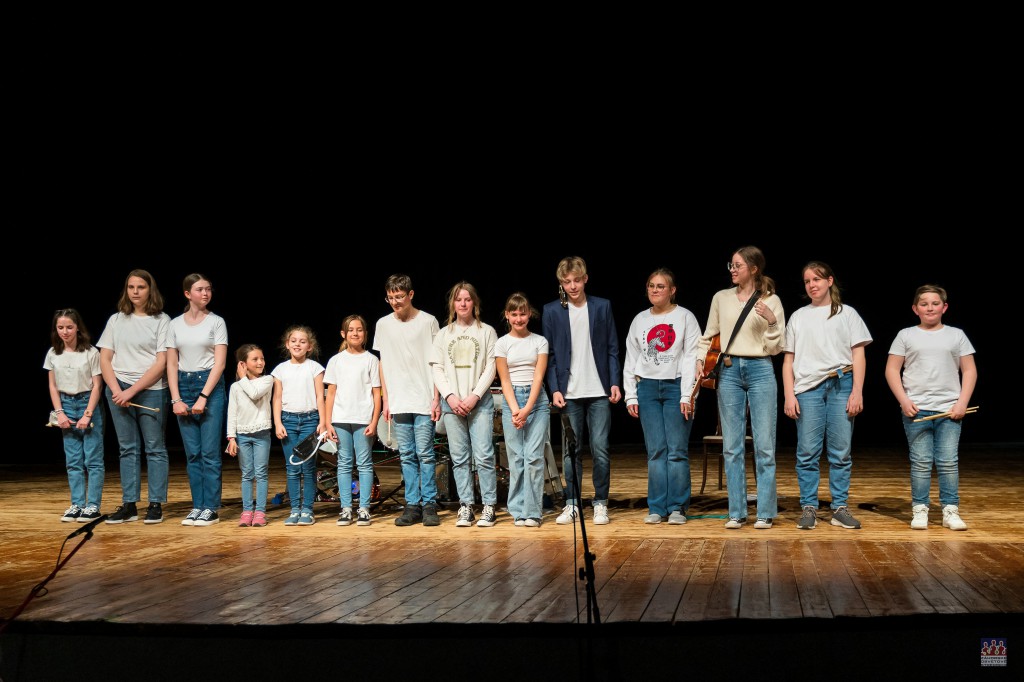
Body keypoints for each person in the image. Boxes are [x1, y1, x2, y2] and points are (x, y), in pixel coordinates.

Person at [696, 246, 785, 530]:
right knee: (732, 446)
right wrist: (700, 360)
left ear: (754, 269)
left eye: (738, 266)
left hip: (761, 369)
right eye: (731, 265)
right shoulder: (721, 298)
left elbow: (776, 347)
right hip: (730, 369)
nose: (732, 270)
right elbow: (708, 336)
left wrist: (771, 321)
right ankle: (736, 511)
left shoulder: (771, 300)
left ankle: (765, 512)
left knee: (764, 445)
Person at [782, 262, 872, 530]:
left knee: (841, 451)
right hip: (808, 388)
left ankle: (839, 507)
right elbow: (788, 360)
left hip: (841, 384)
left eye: (817, 279)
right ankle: (809, 507)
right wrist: (789, 394)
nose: (812, 285)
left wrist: (857, 391)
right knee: (807, 451)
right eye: (807, 281)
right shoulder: (798, 316)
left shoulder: (847, 314)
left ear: (829, 281)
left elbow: (858, 355)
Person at [884, 284, 977, 531]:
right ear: (915, 309)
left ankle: (950, 510)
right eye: (924, 304)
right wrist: (904, 400)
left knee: (948, 461)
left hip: (949, 409)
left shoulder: (956, 335)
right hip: (917, 409)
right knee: (921, 462)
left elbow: (969, 370)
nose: (930, 308)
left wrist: (962, 402)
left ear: (944, 307)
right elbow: (892, 369)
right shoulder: (905, 335)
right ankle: (920, 508)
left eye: (935, 303)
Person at [542, 256, 622, 526]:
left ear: (585, 279)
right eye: (567, 282)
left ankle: (600, 503)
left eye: (577, 280)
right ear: (561, 283)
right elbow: (551, 355)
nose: (573, 286)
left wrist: (614, 382)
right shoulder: (552, 311)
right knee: (570, 451)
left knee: (600, 449)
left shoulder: (602, 306)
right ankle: (572, 502)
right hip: (569, 392)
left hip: (599, 390)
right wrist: (554, 389)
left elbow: (612, 347)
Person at [623, 268, 701, 525]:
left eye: (660, 286)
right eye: (651, 286)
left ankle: (677, 507)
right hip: (647, 388)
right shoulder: (640, 320)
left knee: (676, 451)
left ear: (672, 290)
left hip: (675, 386)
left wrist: (687, 394)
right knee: (656, 451)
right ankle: (657, 507)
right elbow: (631, 358)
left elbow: (691, 358)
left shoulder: (685, 317)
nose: (655, 290)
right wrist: (630, 396)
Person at [97, 269, 171, 524]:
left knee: (155, 448)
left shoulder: (162, 320)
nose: (135, 292)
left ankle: (155, 503)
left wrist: (131, 390)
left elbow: (161, 362)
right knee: (127, 448)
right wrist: (116, 389)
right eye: (131, 287)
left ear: (150, 290)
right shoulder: (116, 319)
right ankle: (129, 504)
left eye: (141, 287)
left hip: (151, 390)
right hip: (118, 388)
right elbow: (105, 358)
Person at [373, 274, 442, 527]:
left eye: (399, 296)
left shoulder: (428, 322)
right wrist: (386, 399)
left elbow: (436, 362)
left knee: (425, 454)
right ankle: (412, 505)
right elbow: (383, 363)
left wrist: (436, 398)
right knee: (407, 455)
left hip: (423, 398)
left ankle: (429, 505)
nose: (395, 302)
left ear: (410, 295)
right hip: (399, 400)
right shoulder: (383, 324)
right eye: (390, 298)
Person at [431, 282, 499, 527]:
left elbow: (491, 367)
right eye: (458, 299)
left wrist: (474, 396)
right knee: (459, 457)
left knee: (483, 456)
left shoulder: (487, 331)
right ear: (453, 304)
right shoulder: (443, 334)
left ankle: (489, 505)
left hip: (478, 403)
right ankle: (466, 505)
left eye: (467, 299)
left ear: (474, 303)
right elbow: (437, 368)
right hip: (452, 403)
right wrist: (450, 396)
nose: (463, 303)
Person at [167, 273, 228, 527]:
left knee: (209, 452)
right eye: (200, 289)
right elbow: (171, 363)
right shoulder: (174, 324)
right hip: (184, 384)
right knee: (193, 453)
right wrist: (176, 399)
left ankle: (210, 507)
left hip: (209, 385)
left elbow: (220, 363)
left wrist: (203, 396)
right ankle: (197, 505)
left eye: (208, 289)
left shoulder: (216, 322)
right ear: (187, 294)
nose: (205, 293)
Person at [45, 308, 105, 523]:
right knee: (73, 461)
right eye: (60, 327)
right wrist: (59, 413)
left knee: (93, 460)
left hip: (88, 403)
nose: (65, 332)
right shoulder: (53, 353)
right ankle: (77, 504)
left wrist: (88, 414)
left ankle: (92, 505)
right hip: (66, 405)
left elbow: (97, 385)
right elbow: (53, 386)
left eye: (69, 327)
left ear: (78, 327)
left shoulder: (91, 352)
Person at [495, 292, 550, 528]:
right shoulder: (502, 343)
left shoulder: (539, 341)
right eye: (514, 314)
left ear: (529, 315)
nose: (519, 319)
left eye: (523, 314)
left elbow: (538, 377)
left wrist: (527, 408)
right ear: (507, 315)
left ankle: (533, 512)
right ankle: (518, 511)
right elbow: (505, 380)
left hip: (536, 401)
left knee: (534, 457)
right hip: (512, 401)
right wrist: (516, 409)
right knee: (516, 458)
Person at [324, 314, 381, 527]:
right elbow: (331, 393)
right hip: (340, 419)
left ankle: (364, 508)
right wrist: (328, 422)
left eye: (359, 330)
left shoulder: (371, 360)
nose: (355, 333)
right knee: (344, 463)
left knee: (365, 463)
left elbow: (377, 394)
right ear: (343, 334)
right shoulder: (336, 361)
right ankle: (346, 508)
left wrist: (374, 421)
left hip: (363, 419)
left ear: (365, 334)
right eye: (351, 330)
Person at [272, 325, 327, 526]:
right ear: (287, 344)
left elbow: (320, 397)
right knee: (292, 467)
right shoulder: (280, 370)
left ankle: (307, 510)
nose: (298, 344)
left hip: (310, 420)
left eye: (302, 341)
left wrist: (322, 421)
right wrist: (277, 422)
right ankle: (295, 509)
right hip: (287, 420)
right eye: (294, 341)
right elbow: (277, 398)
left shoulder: (315, 368)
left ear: (309, 346)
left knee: (308, 467)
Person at [226, 344, 274, 527]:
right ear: (243, 363)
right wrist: (231, 437)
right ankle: (247, 511)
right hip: (243, 435)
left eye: (262, 358)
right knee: (246, 474)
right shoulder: (235, 387)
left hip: (261, 434)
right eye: (255, 359)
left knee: (261, 473)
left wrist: (242, 377)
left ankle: (260, 512)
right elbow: (232, 412)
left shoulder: (267, 380)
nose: (260, 362)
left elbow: (254, 394)